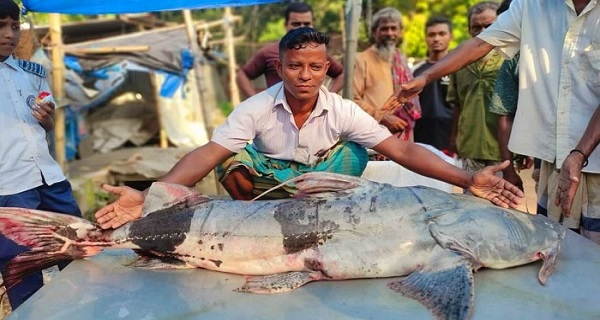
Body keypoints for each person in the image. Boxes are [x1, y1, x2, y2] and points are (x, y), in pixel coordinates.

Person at [95, 27, 523, 230]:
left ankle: (324, 218)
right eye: (295, 66)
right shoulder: (256, 106)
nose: (304, 75)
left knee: (357, 149)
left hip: (322, 183)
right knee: (230, 159)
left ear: (325, 70)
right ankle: (260, 226)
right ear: (279, 67)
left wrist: (468, 178)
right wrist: (150, 197)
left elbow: (404, 151)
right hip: (271, 183)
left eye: (315, 67)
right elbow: (205, 154)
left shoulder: (342, 109)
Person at [398, 0, 600, 244]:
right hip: (553, 160)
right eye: (476, 26)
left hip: (592, 161)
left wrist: (578, 154)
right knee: (558, 249)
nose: (481, 29)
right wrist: (426, 76)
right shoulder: (532, 5)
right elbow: (482, 44)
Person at [0, 0, 81, 310]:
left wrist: (47, 119)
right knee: (21, 267)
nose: (10, 34)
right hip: (10, 187)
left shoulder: (32, 73)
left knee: (75, 247)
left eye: (14, 26)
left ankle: (87, 309)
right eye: (0, 26)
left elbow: (48, 123)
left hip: (49, 178)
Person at [446, 1, 504, 190]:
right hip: (469, 143)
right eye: (476, 27)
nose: (482, 31)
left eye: (489, 26)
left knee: (504, 204)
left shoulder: (511, 57)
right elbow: (457, 104)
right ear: (469, 30)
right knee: (473, 202)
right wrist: (454, 137)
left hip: (503, 148)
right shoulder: (458, 59)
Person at [236, 2, 343, 97]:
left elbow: (341, 74)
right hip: (275, 113)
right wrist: (254, 101)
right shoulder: (268, 52)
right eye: (296, 24)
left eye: (306, 24)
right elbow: (243, 75)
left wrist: (328, 97)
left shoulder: (317, 52)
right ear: (285, 25)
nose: (301, 27)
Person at [353, 7, 420, 142]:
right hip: (373, 137)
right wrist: (381, 116)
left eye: (393, 28)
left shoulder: (400, 59)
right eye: (384, 28)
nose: (389, 33)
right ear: (374, 32)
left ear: (400, 31)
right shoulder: (361, 59)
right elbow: (351, 99)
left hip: (403, 135)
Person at [412, 16, 453, 154]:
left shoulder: (458, 68)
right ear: (426, 38)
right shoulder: (415, 71)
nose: (436, 39)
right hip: (422, 137)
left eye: (441, 34)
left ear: (450, 36)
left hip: (452, 137)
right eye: (431, 34)